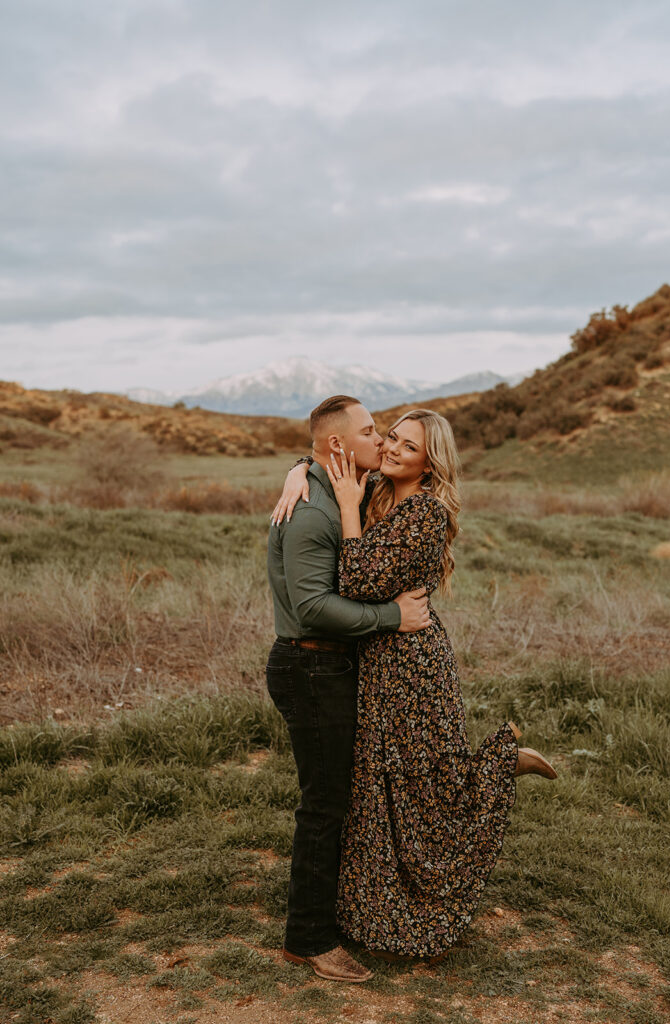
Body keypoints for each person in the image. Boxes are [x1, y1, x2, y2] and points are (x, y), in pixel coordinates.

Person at [274, 407, 557, 962]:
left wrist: (352, 511)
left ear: (432, 462)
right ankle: (370, 909)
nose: (392, 448)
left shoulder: (424, 512)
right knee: (378, 790)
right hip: (376, 657)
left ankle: (498, 764)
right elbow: (326, 453)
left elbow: (355, 581)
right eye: (390, 438)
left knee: (419, 787)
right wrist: (296, 471)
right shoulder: (377, 487)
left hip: (412, 662)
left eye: (407, 445)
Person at [265, 395, 434, 984]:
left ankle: (339, 912)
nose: (381, 441)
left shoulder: (329, 485)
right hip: (311, 668)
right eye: (369, 432)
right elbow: (312, 606)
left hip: (327, 667)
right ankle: (308, 939)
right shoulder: (312, 511)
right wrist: (393, 616)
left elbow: (317, 449)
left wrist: (298, 464)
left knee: (339, 798)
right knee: (325, 806)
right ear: (339, 446)